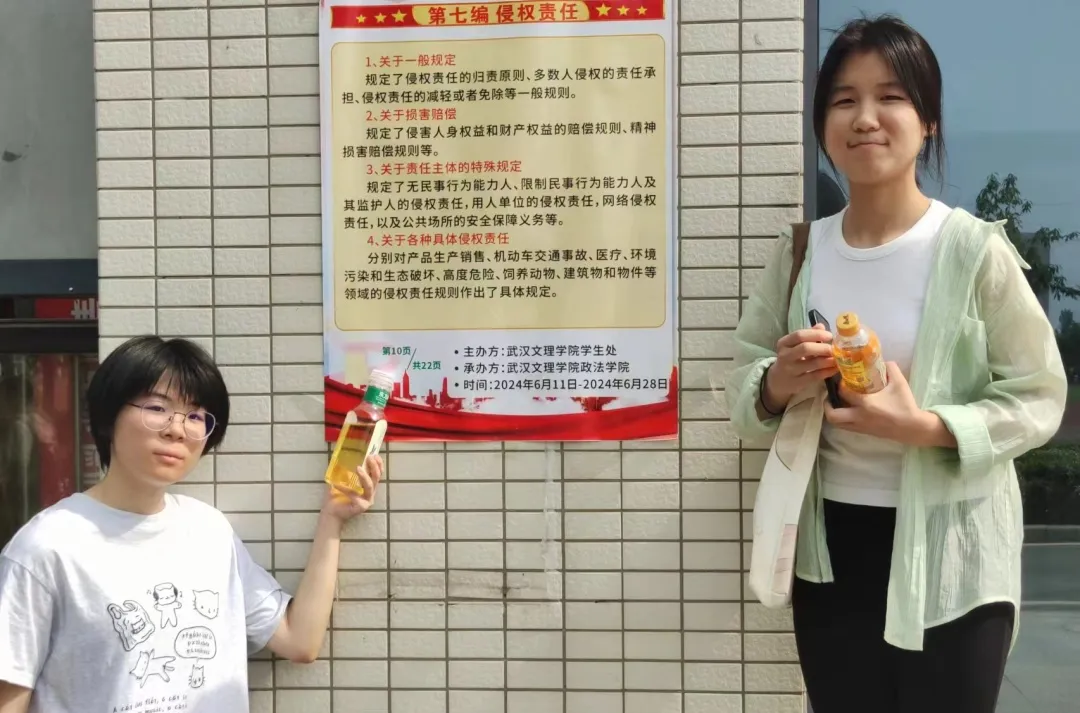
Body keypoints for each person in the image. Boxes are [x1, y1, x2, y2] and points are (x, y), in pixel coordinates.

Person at [725, 15, 1067, 713]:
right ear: (822, 124)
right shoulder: (802, 253)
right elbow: (742, 384)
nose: (865, 118)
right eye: (843, 100)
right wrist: (775, 383)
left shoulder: (973, 250)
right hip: (830, 552)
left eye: (891, 97)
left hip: (955, 552)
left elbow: (1039, 396)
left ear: (928, 120)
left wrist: (926, 427)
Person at [0, 335, 384, 713]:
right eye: (157, 407)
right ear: (107, 416)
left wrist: (332, 518)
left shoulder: (207, 530)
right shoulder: (47, 546)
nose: (177, 429)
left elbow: (299, 639)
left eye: (196, 416)